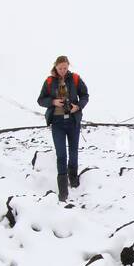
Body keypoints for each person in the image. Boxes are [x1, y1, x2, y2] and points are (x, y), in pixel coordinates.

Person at [36, 56, 90, 201]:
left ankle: (74, 182)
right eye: (60, 68)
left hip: (73, 122)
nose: (63, 71)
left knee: (73, 153)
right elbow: (40, 100)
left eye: (65, 68)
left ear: (68, 66)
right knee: (61, 155)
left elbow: (85, 95)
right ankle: (63, 191)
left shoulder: (76, 79)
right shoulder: (49, 81)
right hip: (57, 123)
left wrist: (77, 106)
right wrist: (53, 101)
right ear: (55, 67)